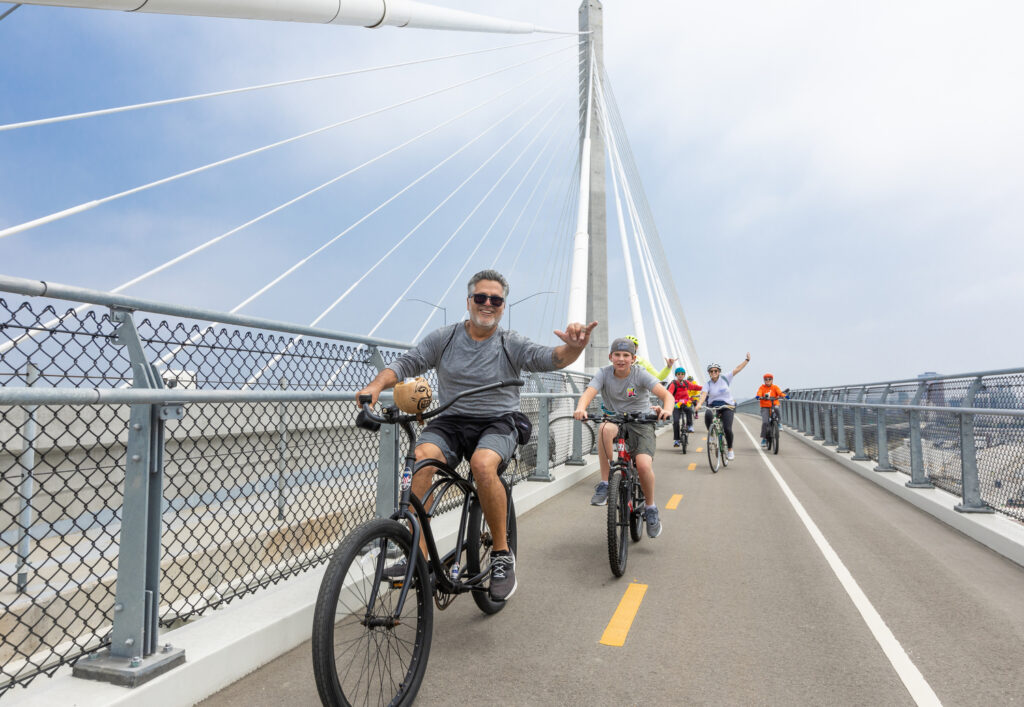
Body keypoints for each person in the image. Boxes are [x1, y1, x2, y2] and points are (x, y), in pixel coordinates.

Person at [356, 269, 597, 601]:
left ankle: (501, 555)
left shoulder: (510, 342)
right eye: (481, 298)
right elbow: (408, 363)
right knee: (422, 460)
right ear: (469, 301)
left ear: (502, 306)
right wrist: (374, 386)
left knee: (484, 465)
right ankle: (419, 556)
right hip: (451, 420)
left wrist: (573, 348)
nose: (487, 304)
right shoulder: (445, 337)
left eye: (495, 300)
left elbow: (550, 359)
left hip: (497, 421)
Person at [573, 338, 673, 538]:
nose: (621, 359)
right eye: (617, 355)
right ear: (610, 357)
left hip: (641, 422)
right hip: (615, 419)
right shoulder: (603, 373)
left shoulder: (640, 375)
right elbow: (589, 392)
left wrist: (667, 410)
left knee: (643, 465)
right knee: (603, 428)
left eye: (626, 355)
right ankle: (604, 482)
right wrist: (581, 408)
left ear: (633, 359)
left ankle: (651, 507)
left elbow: (667, 396)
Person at [694, 353, 750, 461]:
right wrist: (699, 404)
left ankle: (730, 450)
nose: (713, 373)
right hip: (713, 405)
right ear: (709, 373)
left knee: (727, 428)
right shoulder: (707, 384)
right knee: (708, 414)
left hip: (727, 405)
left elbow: (738, 369)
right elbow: (703, 395)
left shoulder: (725, 378)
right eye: (711, 371)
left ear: (719, 372)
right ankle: (711, 434)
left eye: (716, 371)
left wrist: (746, 360)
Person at [666, 367, 696, 446]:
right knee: (676, 421)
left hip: (685, 403)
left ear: (684, 375)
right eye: (679, 374)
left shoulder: (686, 383)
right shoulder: (674, 384)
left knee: (689, 410)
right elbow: (669, 393)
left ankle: (690, 425)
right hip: (676, 405)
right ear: (676, 375)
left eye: (682, 374)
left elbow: (694, 387)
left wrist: (705, 389)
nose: (680, 375)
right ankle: (676, 440)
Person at [756, 374, 787, 448]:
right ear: (764, 380)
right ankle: (764, 438)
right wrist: (758, 396)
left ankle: (779, 423)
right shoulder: (762, 387)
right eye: (766, 379)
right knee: (765, 422)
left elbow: (779, 393)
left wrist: (784, 396)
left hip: (774, 404)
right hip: (765, 407)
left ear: (772, 380)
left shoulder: (775, 387)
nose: (768, 381)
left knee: (776, 408)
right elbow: (759, 393)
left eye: (769, 379)